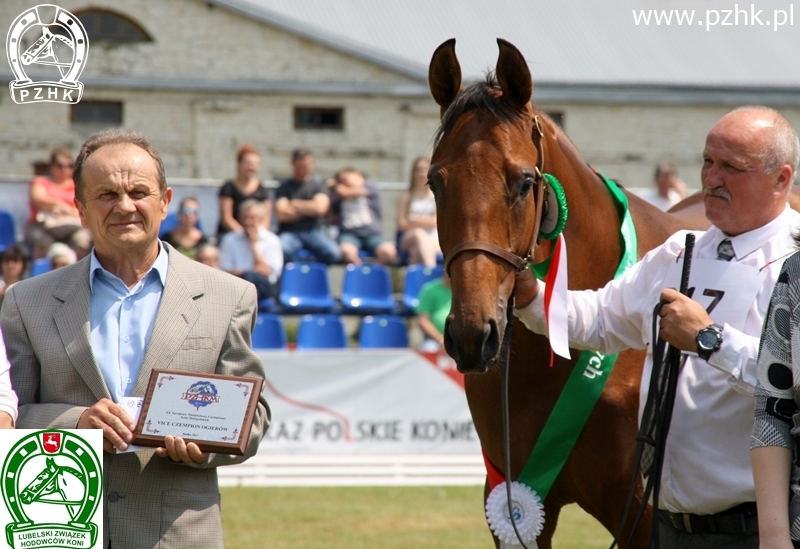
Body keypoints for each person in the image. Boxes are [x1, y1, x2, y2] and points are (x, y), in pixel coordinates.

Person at [513, 106, 799, 548]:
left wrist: (709, 340)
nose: (711, 178)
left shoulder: (794, 265)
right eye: (707, 161)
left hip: (762, 530)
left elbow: (792, 385)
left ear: (782, 179)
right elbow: (601, 319)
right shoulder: (678, 253)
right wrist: (532, 296)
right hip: (667, 526)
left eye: (731, 167)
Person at [0, 129, 270, 549]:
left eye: (139, 191)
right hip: (61, 526)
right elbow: (9, 417)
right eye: (106, 194)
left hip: (176, 532)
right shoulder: (26, 301)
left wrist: (205, 445)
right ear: (81, 209)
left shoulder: (229, 295)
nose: (124, 205)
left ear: (165, 201)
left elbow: (252, 418)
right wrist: (77, 424)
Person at [274, 148, 342, 264]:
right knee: (281, 251)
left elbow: (320, 209)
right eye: (300, 165)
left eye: (306, 165)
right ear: (293, 164)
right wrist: (309, 209)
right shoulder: (284, 187)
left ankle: (313, 272)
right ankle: (297, 272)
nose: (304, 169)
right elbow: (282, 214)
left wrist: (293, 203)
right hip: (290, 232)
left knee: (334, 253)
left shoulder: (318, 185)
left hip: (313, 231)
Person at [24, 147, 92, 260]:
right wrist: (59, 205)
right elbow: (37, 199)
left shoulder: (77, 185)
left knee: (82, 240)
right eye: (60, 165)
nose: (65, 169)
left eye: (69, 165)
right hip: (42, 227)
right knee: (41, 243)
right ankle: (42, 273)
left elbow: (85, 207)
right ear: (51, 167)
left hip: (72, 226)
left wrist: (68, 212)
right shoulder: (41, 182)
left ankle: (79, 272)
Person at [219, 199, 283, 302]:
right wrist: (248, 271)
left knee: (250, 278)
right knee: (248, 277)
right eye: (245, 218)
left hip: (264, 286)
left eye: (252, 218)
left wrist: (253, 245)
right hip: (236, 285)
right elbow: (224, 270)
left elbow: (270, 272)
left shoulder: (272, 240)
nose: (248, 222)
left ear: (260, 219)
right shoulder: (230, 240)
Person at [331, 167, 397, 265]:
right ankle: (361, 272)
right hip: (349, 235)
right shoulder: (339, 196)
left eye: (345, 178)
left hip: (373, 234)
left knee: (388, 252)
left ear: (357, 174)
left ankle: (372, 272)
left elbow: (349, 192)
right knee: (346, 252)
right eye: (341, 181)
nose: (344, 183)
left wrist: (337, 186)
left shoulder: (370, 186)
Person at [216, 144, 272, 241]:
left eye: (255, 164)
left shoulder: (262, 189)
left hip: (256, 236)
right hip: (231, 234)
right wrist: (242, 234)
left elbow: (266, 219)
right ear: (239, 164)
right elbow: (226, 218)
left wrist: (256, 235)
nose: (252, 167)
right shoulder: (228, 188)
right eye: (248, 163)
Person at [397, 156, 440, 267]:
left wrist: (414, 219)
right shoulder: (406, 196)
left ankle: (417, 282)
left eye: (425, 169)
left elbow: (435, 222)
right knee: (419, 234)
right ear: (413, 172)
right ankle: (431, 270)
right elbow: (401, 224)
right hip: (409, 237)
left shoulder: (435, 195)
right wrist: (424, 223)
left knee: (416, 251)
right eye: (418, 170)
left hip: (432, 237)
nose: (421, 174)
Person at [415, 271, 451, 351]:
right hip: (435, 341)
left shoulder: (467, 291)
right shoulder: (430, 289)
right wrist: (440, 339)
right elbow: (422, 320)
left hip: (461, 340)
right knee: (427, 349)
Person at [0, 245, 26, 309]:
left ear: (22, 264)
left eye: (15, 261)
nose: (10, 265)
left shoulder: (28, 287)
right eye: (7, 261)